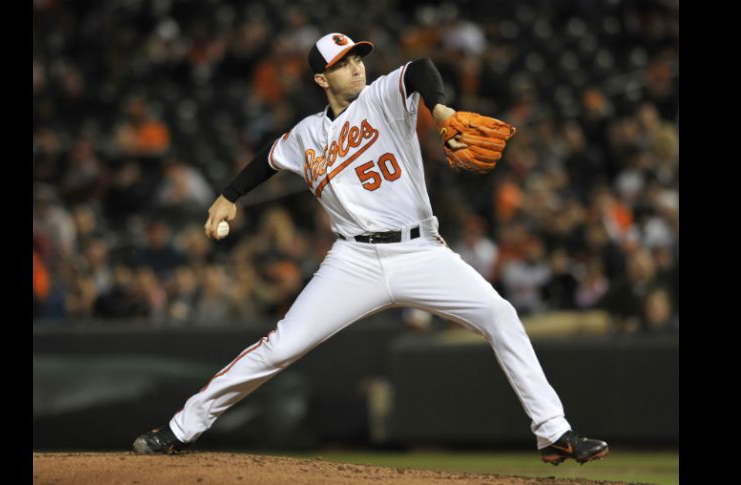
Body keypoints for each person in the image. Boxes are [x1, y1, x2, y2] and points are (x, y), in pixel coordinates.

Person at [133, 33, 608, 465]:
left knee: (500, 315)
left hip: (420, 251)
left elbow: (421, 66)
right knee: (281, 346)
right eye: (343, 62)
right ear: (321, 78)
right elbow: (269, 159)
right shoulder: (307, 135)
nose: (356, 67)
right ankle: (181, 428)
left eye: (358, 56)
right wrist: (228, 196)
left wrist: (439, 111)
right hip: (353, 260)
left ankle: (554, 433)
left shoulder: (382, 97)